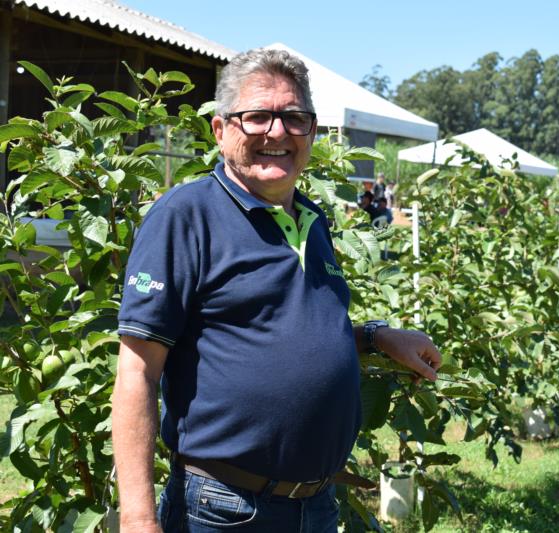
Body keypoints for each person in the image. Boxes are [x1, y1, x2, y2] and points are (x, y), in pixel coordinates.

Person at [111, 47, 442, 533]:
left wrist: (377, 336)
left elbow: (293, 331)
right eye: (257, 117)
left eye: (294, 118)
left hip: (316, 505)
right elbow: (137, 370)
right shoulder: (187, 216)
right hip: (224, 510)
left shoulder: (313, 220)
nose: (278, 132)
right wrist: (138, 518)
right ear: (221, 131)